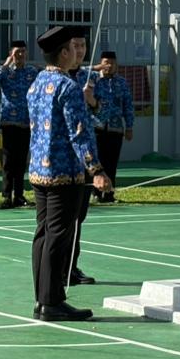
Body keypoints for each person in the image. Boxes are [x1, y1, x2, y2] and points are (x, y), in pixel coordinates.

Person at [28, 25, 111, 321]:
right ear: (63, 53)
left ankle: (42, 298)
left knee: (43, 235)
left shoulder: (37, 82)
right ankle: (52, 302)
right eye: (73, 48)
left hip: (40, 170)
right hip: (65, 173)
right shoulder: (68, 87)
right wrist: (96, 169)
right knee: (59, 236)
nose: (77, 52)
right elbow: (80, 133)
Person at [0, 40, 38, 208]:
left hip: (26, 122)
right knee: (9, 160)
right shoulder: (5, 72)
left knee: (21, 161)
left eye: (23, 51)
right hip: (9, 121)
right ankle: (7, 196)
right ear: (11, 54)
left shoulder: (32, 72)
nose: (21, 55)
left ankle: (19, 196)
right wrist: (4, 66)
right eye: (17, 52)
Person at [64, 27, 98, 284]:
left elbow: (104, 116)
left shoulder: (89, 77)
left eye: (83, 46)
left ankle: (72, 267)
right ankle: (59, 269)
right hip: (62, 158)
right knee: (62, 218)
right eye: (75, 46)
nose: (80, 51)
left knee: (79, 216)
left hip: (85, 157)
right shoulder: (57, 78)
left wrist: (93, 102)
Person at [89, 51, 134, 203]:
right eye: (106, 63)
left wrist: (129, 126)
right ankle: (95, 192)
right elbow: (78, 71)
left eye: (112, 63)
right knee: (97, 161)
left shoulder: (121, 82)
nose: (109, 66)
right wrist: (96, 68)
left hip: (115, 129)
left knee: (112, 162)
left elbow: (128, 105)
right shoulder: (93, 79)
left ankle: (109, 194)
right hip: (97, 127)